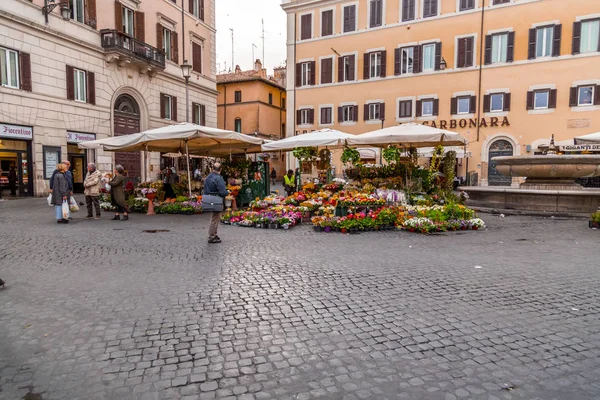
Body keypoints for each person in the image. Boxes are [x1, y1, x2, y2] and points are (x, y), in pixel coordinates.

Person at [203, 163, 228, 244]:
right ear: (220, 169)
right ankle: (212, 236)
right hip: (216, 199)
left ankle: (214, 234)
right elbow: (222, 192)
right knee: (215, 218)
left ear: (213, 168)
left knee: (214, 217)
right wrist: (227, 192)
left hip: (209, 198)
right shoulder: (218, 178)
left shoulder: (208, 177)